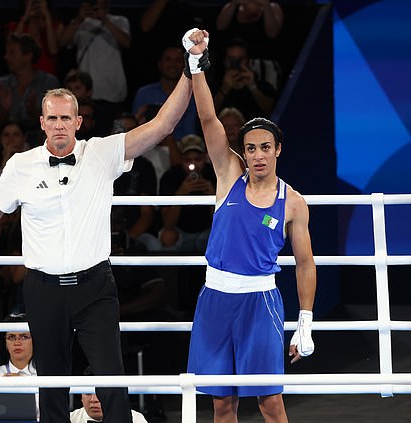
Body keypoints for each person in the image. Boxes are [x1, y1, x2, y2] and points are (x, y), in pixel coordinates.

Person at [0, 71, 193, 422]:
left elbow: (162, 125)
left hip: (95, 288)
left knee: (111, 381)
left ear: (78, 121)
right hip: (43, 289)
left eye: (65, 117)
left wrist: (191, 69)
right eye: (51, 118)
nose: (58, 125)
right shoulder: (20, 166)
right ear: (41, 122)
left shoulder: (101, 152)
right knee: (51, 384)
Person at [183, 29, 316, 422]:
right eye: (251, 148)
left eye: (265, 147)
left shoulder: (292, 201)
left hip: (261, 304)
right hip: (215, 300)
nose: (258, 155)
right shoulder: (228, 176)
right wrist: (196, 67)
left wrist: (305, 319)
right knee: (222, 404)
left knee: (270, 403)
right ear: (243, 152)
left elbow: (305, 263)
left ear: (278, 150)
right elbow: (208, 119)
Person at [59, 0, 131, 110]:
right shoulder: (80, 22)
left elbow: (127, 43)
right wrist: (79, 19)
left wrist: (104, 20)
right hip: (84, 89)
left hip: (112, 89)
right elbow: (62, 42)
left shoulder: (119, 21)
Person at [158, 134, 215, 253]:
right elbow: (168, 224)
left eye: (198, 159)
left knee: (222, 234)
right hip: (180, 232)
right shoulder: (170, 177)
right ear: (180, 159)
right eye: (187, 160)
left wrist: (212, 196)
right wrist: (180, 194)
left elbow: (221, 221)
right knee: (168, 236)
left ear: (205, 157)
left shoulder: (214, 174)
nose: (193, 164)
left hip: (208, 230)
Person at [132, 45, 199, 141]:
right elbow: (134, 128)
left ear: (185, 65)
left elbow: (190, 132)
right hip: (148, 147)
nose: (173, 64)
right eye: (168, 60)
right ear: (160, 65)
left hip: (181, 149)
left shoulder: (192, 96)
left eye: (178, 60)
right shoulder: (144, 93)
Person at [70, 392, 147, 423]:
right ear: (81, 397)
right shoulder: (70, 419)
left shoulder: (136, 419)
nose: (94, 400)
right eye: (88, 393)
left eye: (99, 393)